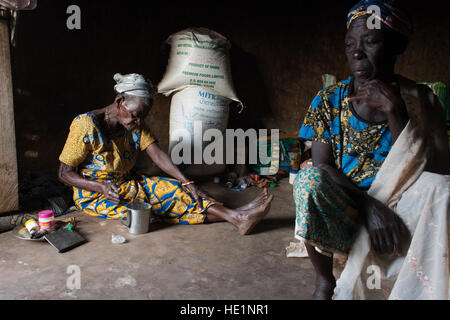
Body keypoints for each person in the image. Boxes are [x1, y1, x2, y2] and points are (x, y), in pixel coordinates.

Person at [294, 0, 450, 300]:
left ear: (397, 46)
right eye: (350, 43)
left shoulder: (421, 100)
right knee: (309, 179)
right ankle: (325, 281)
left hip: (402, 206)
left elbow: (432, 170)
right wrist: (369, 206)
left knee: (443, 188)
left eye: (371, 41)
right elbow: (322, 167)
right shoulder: (328, 100)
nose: (357, 53)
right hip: (348, 205)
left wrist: (395, 111)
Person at [58, 73, 273, 235]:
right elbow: (64, 173)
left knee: (180, 190)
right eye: (135, 115)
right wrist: (100, 186)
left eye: (142, 117)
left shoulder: (135, 126)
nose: (138, 122)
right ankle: (237, 216)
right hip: (95, 195)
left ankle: (238, 215)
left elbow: (158, 155)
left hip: (127, 183)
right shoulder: (85, 125)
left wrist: (187, 182)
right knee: (160, 208)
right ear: (120, 101)